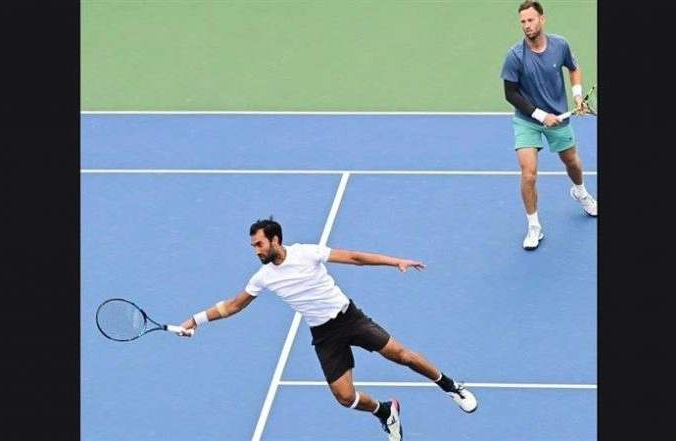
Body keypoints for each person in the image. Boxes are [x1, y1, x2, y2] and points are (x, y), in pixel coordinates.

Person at [176, 216, 477, 441]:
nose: (255, 250)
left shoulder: (307, 253)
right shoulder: (263, 277)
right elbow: (233, 305)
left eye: (259, 244)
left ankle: (451, 387)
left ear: (275, 240)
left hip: (349, 318)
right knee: (345, 397)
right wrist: (195, 319)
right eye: (253, 246)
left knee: (403, 356)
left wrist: (395, 261)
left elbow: (355, 258)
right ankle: (386, 412)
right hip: (323, 335)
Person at [500, 0, 597, 251]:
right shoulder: (514, 55)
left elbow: (574, 69)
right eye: (523, 21)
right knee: (528, 173)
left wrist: (576, 94)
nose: (527, 25)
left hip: (559, 118)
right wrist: (541, 115)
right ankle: (534, 225)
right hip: (527, 119)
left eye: (531, 20)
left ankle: (580, 192)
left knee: (571, 161)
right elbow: (510, 94)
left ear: (542, 19)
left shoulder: (560, 45)